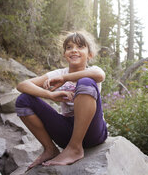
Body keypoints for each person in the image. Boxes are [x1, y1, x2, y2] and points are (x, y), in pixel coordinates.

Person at [15, 31, 108, 169]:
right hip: (66, 133)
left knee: (86, 82)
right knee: (23, 100)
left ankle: (75, 148)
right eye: (69, 47)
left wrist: (65, 79)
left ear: (90, 55)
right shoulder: (58, 73)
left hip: (93, 131)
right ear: (65, 54)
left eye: (80, 46)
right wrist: (49, 95)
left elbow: (99, 75)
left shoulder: (92, 70)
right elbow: (22, 85)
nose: (74, 50)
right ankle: (50, 149)